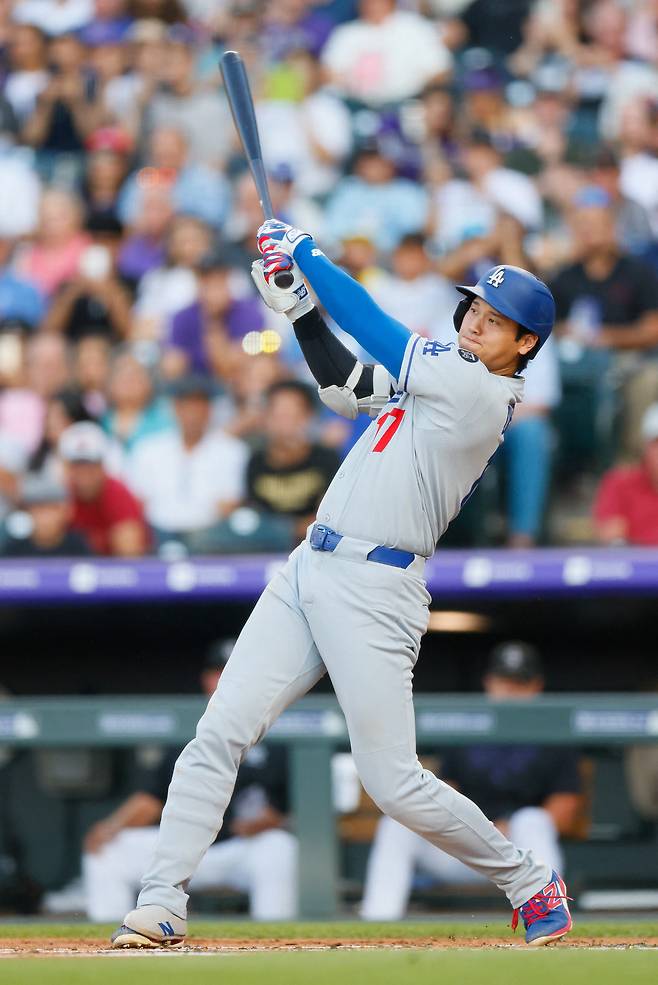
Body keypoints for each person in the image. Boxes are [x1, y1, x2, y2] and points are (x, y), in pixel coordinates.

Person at [110, 220, 572, 949]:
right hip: (309, 567)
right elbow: (343, 386)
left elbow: (372, 325)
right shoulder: (441, 376)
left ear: (524, 344)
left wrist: (306, 256)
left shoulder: (480, 392)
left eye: (496, 321)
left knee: (391, 781)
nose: (477, 324)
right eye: (476, 311)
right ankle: (162, 898)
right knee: (219, 728)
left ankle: (526, 879)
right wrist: (297, 308)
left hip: (377, 587)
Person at [360, 642, 584, 919]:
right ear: (489, 682)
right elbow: (441, 794)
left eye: (520, 683)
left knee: (532, 820)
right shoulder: (467, 728)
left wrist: (505, 830)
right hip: (467, 849)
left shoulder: (553, 735)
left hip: (519, 849)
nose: (511, 691)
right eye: (504, 682)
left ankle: (548, 912)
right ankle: (379, 920)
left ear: (536, 686)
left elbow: (565, 811)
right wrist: (480, 829)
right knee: (397, 824)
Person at [82, 640, 297, 921]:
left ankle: (275, 942)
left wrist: (276, 822)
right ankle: (109, 942)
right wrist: (112, 826)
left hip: (242, 849)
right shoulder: (188, 725)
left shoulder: (280, 726)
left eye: (236, 671)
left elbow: (305, 807)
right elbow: (151, 799)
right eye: (219, 672)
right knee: (108, 850)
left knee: (280, 849)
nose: (226, 680)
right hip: (183, 846)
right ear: (207, 679)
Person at [127, 374, 247, 548]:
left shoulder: (232, 451)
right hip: (157, 531)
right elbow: (138, 501)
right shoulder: (148, 449)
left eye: (199, 406)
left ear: (209, 410)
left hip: (209, 536)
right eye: (186, 406)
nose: (193, 414)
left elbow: (229, 505)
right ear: (175, 408)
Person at [246, 379, 341, 543]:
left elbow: (331, 515)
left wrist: (293, 529)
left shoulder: (326, 458)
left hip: (315, 543)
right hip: (266, 544)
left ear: (308, 416)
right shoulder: (256, 461)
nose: (285, 422)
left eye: (293, 414)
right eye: (278, 415)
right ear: (266, 418)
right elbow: (254, 515)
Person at [59, 421, 148, 556]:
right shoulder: (63, 495)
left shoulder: (117, 493)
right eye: (77, 465)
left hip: (111, 568)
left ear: (102, 465)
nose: (84, 472)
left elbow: (130, 553)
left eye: (90, 464)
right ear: (68, 468)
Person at [593, 402, 658, 546]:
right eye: (657, 444)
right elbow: (612, 538)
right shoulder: (620, 483)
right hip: (638, 568)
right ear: (645, 447)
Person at [2, 474, 91, 557]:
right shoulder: (15, 548)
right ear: (27, 513)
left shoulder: (77, 545)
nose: (45, 518)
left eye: (52, 509)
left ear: (66, 512)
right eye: (39, 509)